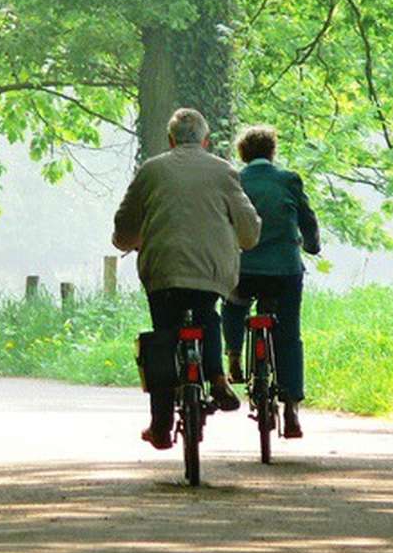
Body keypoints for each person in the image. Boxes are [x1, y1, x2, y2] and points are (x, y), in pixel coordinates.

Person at [113, 107, 262, 449]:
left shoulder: (152, 171)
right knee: (207, 314)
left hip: (163, 270)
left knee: (164, 337)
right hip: (210, 270)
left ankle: (161, 423)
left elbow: (125, 226)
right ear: (206, 141)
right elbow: (249, 229)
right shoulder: (224, 171)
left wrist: (130, 241)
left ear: (170, 140)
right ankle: (217, 378)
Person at [221, 124, 320, 439]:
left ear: (242, 154)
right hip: (284, 271)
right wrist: (311, 245)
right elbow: (307, 218)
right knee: (289, 334)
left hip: (244, 269)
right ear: (272, 151)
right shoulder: (288, 180)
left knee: (234, 304)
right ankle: (291, 408)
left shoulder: (234, 179)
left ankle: (234, 354)